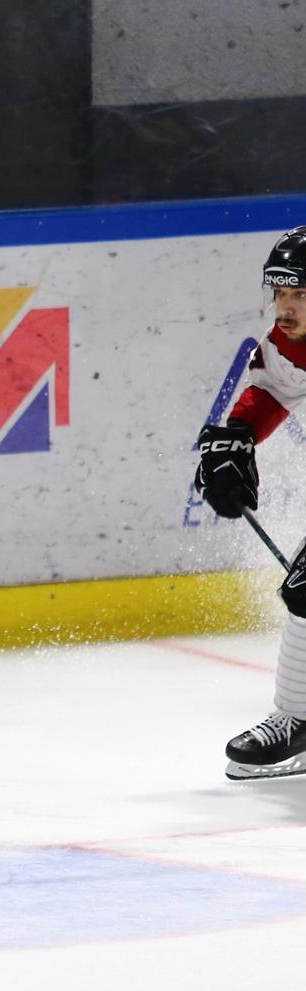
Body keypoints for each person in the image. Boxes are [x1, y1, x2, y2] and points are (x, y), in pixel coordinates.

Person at [196, 224, 306, 778]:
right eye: (280, 293)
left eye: (300, 294)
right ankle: (299, 721)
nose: (284, 307)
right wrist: (236, 437)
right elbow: (271, 391)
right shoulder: (286, 343)